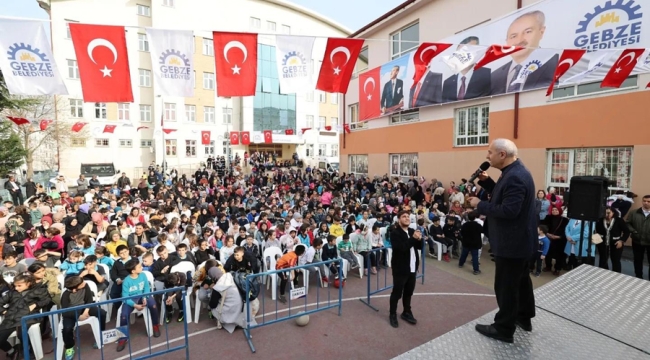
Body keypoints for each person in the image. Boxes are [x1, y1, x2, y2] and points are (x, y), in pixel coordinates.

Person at [469, 138, 537, 343]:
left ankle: (503, 328)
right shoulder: (514, 173)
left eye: (489, 152)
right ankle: (524, 318)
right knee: (521, 282)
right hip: (520, 242)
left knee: (506, 286)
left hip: (511, 244)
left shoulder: (515, 177)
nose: (487, 156)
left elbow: (509, 210)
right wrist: (487, 182)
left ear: (502, 155)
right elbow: (504, 195)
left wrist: (480, 205)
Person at [388, 210, 423, 328]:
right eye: (404, 216)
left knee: (409, 292)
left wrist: (420, 239)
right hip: (400, 269)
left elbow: (419, 247)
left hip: (412, 268)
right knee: (397, 293)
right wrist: (413, 239)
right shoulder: (395, 233)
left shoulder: (412, 231)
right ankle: (392, 314)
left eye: (408, 216)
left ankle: (406, 312)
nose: (407, 218)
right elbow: (401, 248)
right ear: (399, 220)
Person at [117, 258, 161, 351]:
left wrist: (145, 297)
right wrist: (134, 305)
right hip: (131, 300)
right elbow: (125, 296)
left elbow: (146, 288)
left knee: (153, 305)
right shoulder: (126, 281)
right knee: (124, 315)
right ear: (133, 271)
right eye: (139, 267)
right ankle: (123, 338)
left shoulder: (143, 275)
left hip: (142, 296)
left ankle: (155, 325)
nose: (142, 267)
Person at [60, 276, 106, 360]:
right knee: (67, 329)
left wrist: (86, 311)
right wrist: (78, 317)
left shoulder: (86, 286)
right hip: (71, 312)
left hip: (85, 308)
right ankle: (69, 347)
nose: (84, 283)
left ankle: (101, 335)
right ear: (74, 289)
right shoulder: (65, 295)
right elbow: (65, 312)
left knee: (102, 313)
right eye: (81, 283)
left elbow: (89, 300)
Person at [595, 207, 629, 273]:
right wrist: (597, 241)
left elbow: (626, 231)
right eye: (605, 213)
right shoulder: (600, 220)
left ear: (613, 213)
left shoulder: (619, 220)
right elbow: (597, 231)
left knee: (616, 260)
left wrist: (621, 241)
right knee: (602, 259)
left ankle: (616, 274)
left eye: (608, 213)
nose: (607, 215)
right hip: (602, 243)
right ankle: (603, 273)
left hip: (616, 243)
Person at [626, 195, 650, 280]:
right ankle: (638, 277)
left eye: (648, 201)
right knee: (637, 260)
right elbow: (628, 223)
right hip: (637, 240)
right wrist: (634, 231)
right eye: (644, 201)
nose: (646, 203)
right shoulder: (634, 212)